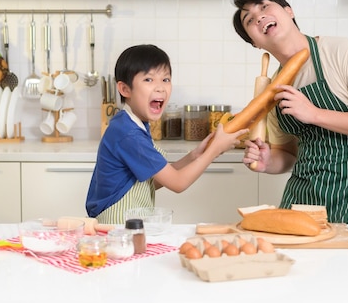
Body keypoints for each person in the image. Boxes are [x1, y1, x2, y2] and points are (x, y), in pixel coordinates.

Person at [233, 0, 348, 224]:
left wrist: (314, 114)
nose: (258, 16)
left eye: (264, 6)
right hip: (304, 192)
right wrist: (267, 161)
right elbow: (289, 153)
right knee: (294, 259)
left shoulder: (344, 52)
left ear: (289, 11)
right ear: (255, 43)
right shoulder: (274, 90)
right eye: (249, 19)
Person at [86, 44, 248, 224]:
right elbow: (178, 183)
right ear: (125, 89)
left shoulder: (132, 124)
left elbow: (150, 182)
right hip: (117, 225)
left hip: (130, 222)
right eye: (149, 80)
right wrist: (214, 150)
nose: (160, 88)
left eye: (166, 79)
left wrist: (195, 155)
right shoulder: (128, 134)